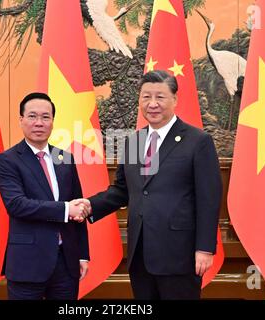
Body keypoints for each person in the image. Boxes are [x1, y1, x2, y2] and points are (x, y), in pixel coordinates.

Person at [76, 70, 222, 299]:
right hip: (140, 253)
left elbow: (209, 199)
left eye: (160, 97)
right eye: (146, 97)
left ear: (174, 99)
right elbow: (123, 190)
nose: (152, 104)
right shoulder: (134, 140)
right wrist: (89, 205)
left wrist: (204, 248)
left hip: (180, 255)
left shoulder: (198, 141)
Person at [0, 92, 90, 300]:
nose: (39, 122)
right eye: (32, 116)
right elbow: (17, 205)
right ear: (21, 120)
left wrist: (83, 254)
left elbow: (78, 207)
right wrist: (65, 209)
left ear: (53, 122)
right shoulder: (8, 160)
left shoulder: (64, 158)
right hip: (27, 264)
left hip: (66, 264)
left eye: (45, 117)